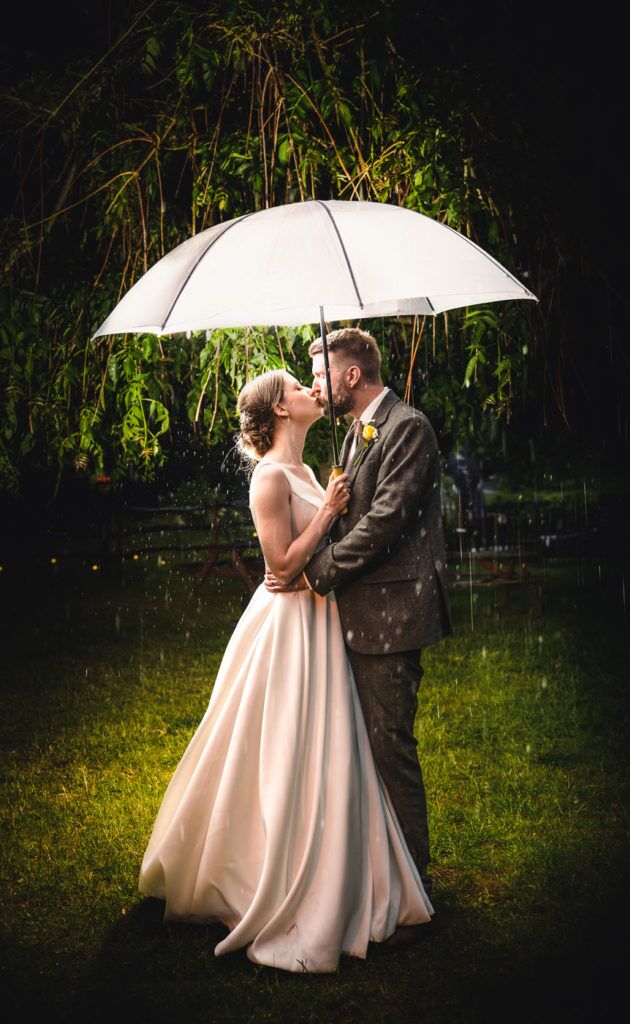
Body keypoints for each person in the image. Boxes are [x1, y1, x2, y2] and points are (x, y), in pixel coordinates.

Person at [138, 369, 433, 973]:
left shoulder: (304, 469)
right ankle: (265, 867)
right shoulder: (270, 478)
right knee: (284, 746)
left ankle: (342, 863)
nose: (310, 392)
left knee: (333, 747)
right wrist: (326, 512)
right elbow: (280, 565)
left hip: (323, 621)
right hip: (289, 627)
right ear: (279, 410)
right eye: (299, 388)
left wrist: (328, 501)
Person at [265, 327, 452, 933]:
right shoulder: (354, 431)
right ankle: (379, 873)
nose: (315, 384)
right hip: (356, 615)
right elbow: (348, 517)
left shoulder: (408, 428)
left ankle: (414, 886)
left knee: (389, 744)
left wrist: (317, 571)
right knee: (364, 748)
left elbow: (385, 521)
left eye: (320, 373)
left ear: (352, 376)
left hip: (393, 615)